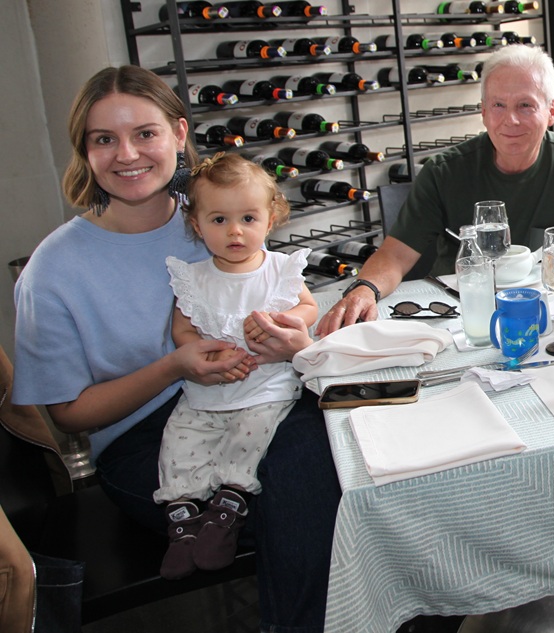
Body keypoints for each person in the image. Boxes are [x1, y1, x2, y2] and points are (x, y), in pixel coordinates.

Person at [12, 65, 340, 631]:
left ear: (179, 135)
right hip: (146, 442)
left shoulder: (219, 210)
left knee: (353, 457)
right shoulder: (53, 271)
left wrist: (294, 341)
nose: (127, 154)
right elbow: (69, 416)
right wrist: (172, 367)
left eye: (145, 133)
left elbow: (289, 297)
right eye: (104, 139)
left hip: (261, 397)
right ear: (84, 152)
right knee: (311, 495)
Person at [317, 44, 554, 335]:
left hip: (548, 317)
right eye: (498, 105)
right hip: (460, 316)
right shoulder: (443, 171)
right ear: (484, 112)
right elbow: (396, 254)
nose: (510, 120)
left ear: (551, 110)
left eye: (525, 105)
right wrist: (365, 289)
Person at [155, 152, 318, 581]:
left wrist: (286, 322)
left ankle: (229, 504)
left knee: (255, 432)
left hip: (265, 386)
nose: (235, 231)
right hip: (208, 390)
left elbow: (308, 307)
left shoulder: (280, 271)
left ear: (271, 218)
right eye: (219, 220)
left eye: (248, 218)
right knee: (179, 437)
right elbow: (182, 331)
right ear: (197, 224)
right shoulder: (194, 279)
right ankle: (184, 518)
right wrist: (203, 351)